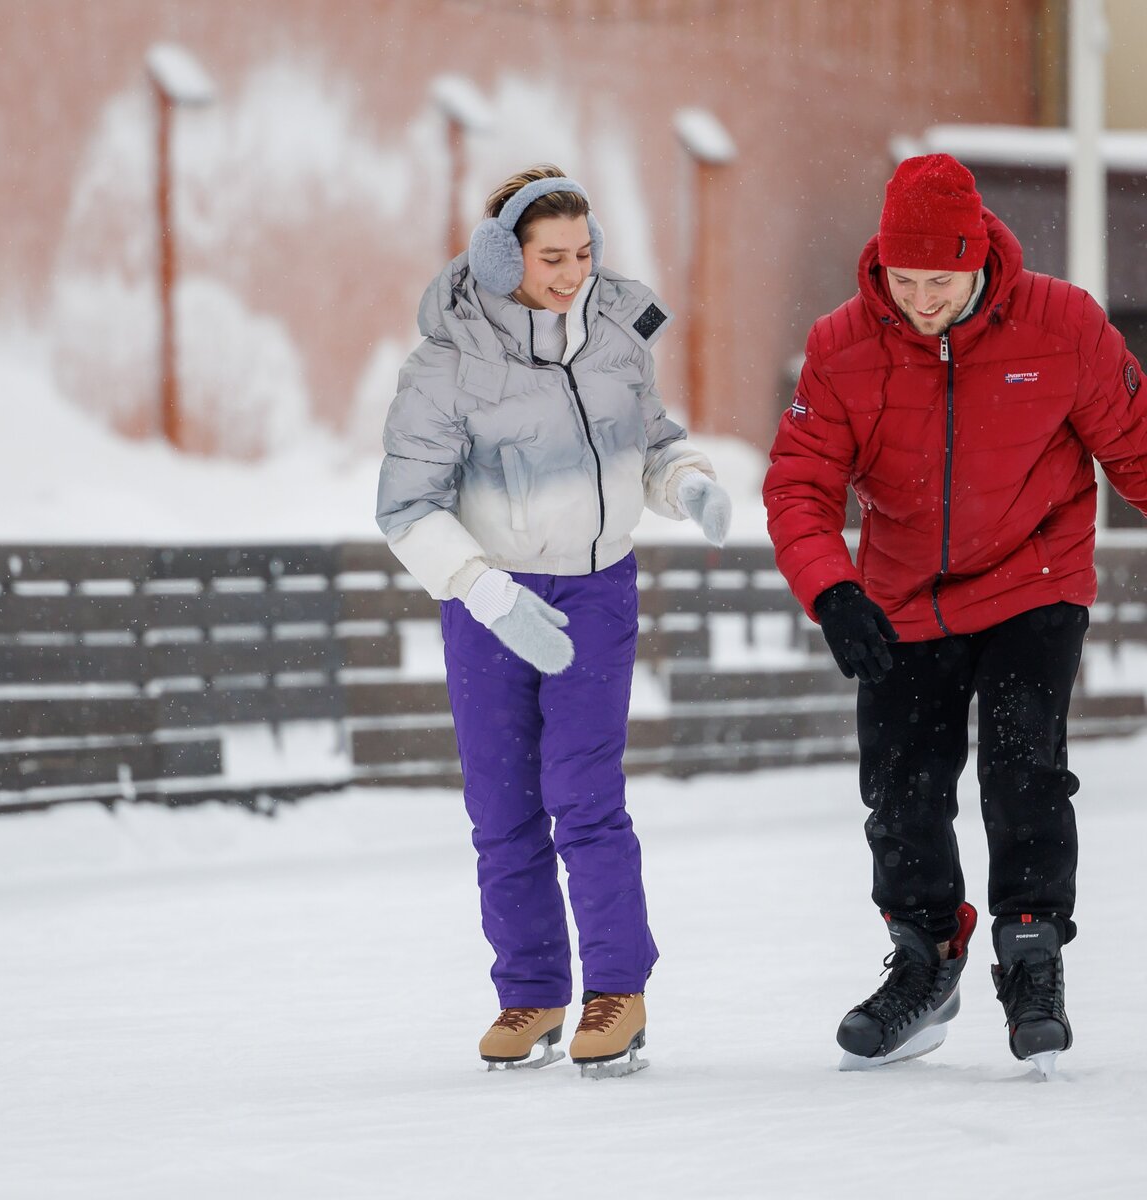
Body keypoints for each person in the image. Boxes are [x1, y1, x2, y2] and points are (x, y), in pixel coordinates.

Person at [763, 153, 1147, 1077]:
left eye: (941, 280)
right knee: (902, 790)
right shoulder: (843, 343)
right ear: (880, 265)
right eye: (905, 279)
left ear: (980, 260)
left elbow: (1136, 448)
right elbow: (800, 482)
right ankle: (924, 960)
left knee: (1023, 767)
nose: (923, 299)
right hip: (900, 595)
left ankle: (1032, 952)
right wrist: (833, 588)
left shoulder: (1064, 325)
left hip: (1034, 579)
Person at [376, 165, 731, 1076]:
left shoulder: (616, 335)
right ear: (503, 257)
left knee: (583, 796)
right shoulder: (446, 364)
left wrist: (686, 482)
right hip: (491, 604)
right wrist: (489, 594)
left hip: (595, 593)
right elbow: (408, 508)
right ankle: (529, 991)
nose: (571, 274)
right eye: (550, 257)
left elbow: (648, 439)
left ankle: (618, 987)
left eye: (582, 253)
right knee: (501, 807)